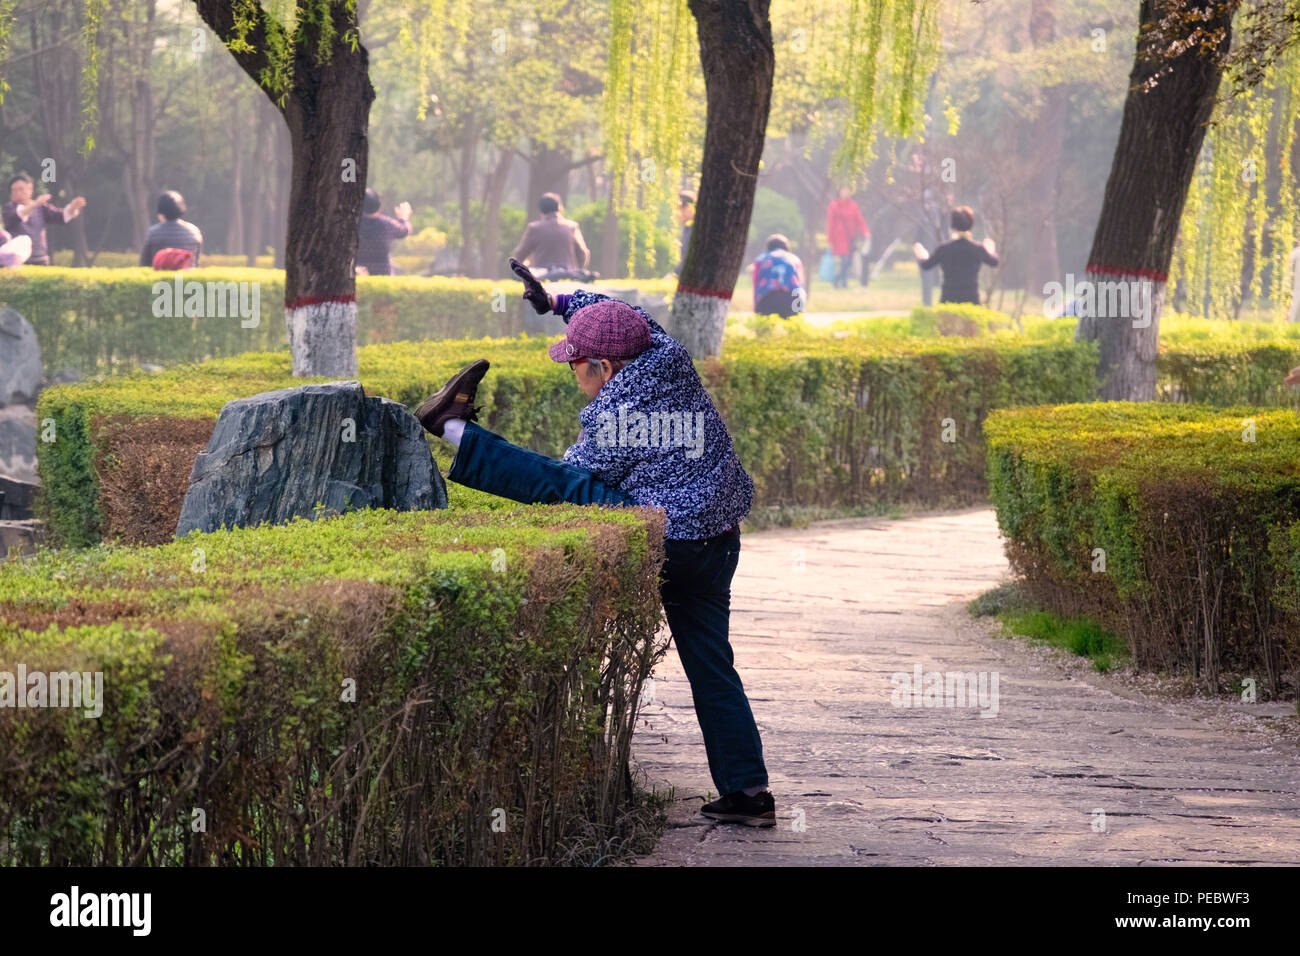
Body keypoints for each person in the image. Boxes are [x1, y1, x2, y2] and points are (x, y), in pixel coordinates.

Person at [409, 256, 776, 827]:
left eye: (576, 365)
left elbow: (570, 478)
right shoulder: (665, 352)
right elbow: (618, 312)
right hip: (720, 540)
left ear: (604, 366)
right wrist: (554, 302)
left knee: (565, 484)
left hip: (673, 542)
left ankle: (450, 427)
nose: (572, 373)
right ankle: (748, 791)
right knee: (712, 665)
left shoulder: (617, 412)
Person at [913, 206, 999, 305]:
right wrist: (991, 251)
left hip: (949, 301)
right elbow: (994, 262)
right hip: (971, 301)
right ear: (971, 225)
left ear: (953, 226)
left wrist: (922, 256)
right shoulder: (978, 249)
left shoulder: (944, 249)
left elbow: (926, 265)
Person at [2, 174, 86, 266]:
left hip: (40, 259)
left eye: (21, 189)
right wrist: (35, 204)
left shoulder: (41, 208)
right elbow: (18, 215)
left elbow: (60, 216)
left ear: (30, 189)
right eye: (14, 190)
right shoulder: (8, 209)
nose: (17, 192)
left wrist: (72, 208)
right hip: (17, 261)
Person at [511, 192, 590, 278]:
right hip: (569, 276)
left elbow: (519, 255)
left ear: (541, 210)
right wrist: (576, 269)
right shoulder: (572, 227)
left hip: (543, 277)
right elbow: (583, 253)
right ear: (559, 208)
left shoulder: (534, 228)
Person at [140, 190, 203, 268]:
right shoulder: (194, 231)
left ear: (161, 213)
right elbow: (196, 263)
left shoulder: (153, 233)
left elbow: (144, 264)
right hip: (188, 278)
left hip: (160, 278)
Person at [357, 188, 413, 276]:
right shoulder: (387, 224)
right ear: (379, 206)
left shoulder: (352, 224)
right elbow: (404, 230)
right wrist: (404, 218)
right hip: (383, 276)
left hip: (357, 274)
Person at [751, 234, 806, 318]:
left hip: (767, 299)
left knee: (767, 327)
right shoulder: (795, 259)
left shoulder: (760, 259)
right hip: (792, 300)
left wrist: (756, 306)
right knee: (790, 328)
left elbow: (756, 283)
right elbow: (800, 283)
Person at [826, 186, 869, 289]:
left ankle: (838, 279)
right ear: (839, 192)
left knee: (849, 261)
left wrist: (865, 231)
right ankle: (843, 282)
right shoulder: (834, 205)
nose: (845, 193)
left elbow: (859, 219)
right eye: (843, 190)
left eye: (847, 190)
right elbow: (830, 223)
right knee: (844, 260)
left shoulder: (853, 205)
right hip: (839, 237)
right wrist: (830, 239)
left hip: (851, 237)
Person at [675, 189, 696, 276]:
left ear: (689, 208)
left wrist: (675, 274)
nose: (677, 214)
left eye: (680, 209)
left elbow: (689, 260)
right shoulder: (687, 229)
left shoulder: (693, 231)